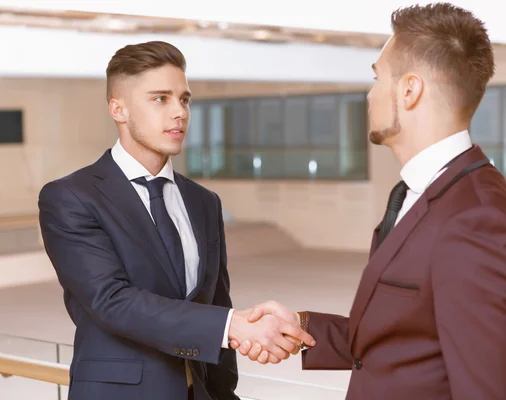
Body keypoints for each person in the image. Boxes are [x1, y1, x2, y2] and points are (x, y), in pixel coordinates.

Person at [231, 3, 506, 399]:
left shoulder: (475, 216)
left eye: (377, 78)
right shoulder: (418, 192)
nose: (370, 94)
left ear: (409, 90)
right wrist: (300, 326)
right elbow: (408, 338)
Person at [38, 40, 314, 400]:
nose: (179, 113)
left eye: (184, 99)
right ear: (118, 109)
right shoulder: (71, 197)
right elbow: (112, 301)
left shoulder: (204, 202)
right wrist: (233, 327)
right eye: (160, 99)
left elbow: (216, 303)